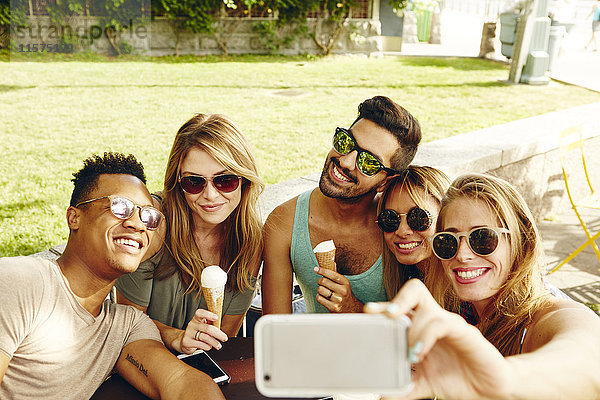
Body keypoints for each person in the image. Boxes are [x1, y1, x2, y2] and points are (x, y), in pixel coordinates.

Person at [0, 152, 224, 399]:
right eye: (120, 207)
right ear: (74, 217)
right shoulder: (21, 282)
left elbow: (181, 380)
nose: (137, 225)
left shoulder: (126, 326)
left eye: (148, 216)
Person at [367, 173, 600, 400]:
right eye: (449, 241)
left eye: (482, 239)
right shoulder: (461, 311)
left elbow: (587, 357)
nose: (463, 255)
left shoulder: (548, 314)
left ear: (522, 241)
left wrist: (503, 380)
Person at [116, 114, 263, 355]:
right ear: (177, 182)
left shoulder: (250, 241)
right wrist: (175, 337)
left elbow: (223, 337)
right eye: (194, 182)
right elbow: (127, 325)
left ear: (244, 180)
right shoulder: (152, 225)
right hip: (141, 359)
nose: (210, 195)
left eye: (224, 181)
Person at [262, 96, 422, 314]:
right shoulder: (284, 223)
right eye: (346, 143)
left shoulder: (400, 229)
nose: (345, 161)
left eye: (368, 162)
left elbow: (422, 331)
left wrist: (353, 308)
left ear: (385, 181)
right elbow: (276, 330)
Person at [377, 166, 450, 298]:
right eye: (390, 219)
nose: (402, 231)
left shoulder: (464, 283)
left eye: (418, 218)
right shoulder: (405, 274)